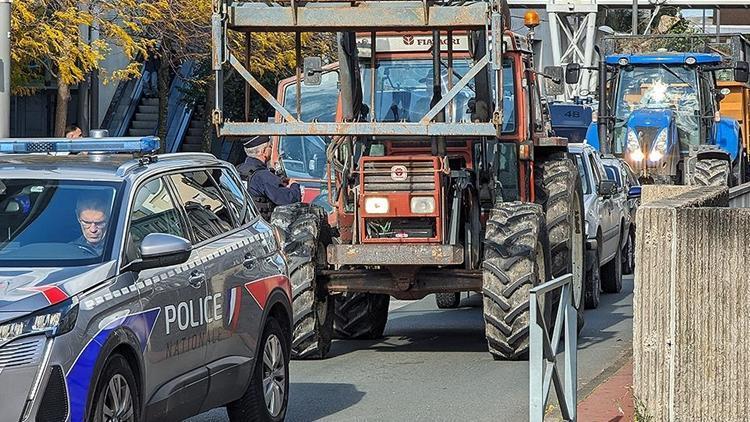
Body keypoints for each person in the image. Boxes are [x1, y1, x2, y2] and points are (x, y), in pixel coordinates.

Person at [237, 136, 301, 219]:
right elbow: (290, 200)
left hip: (241, 223)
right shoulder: (263, 176)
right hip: (261, 226)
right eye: (270, 147)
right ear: (264, 151)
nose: (271, 149)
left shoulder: (237, 169)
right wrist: (294, 185)